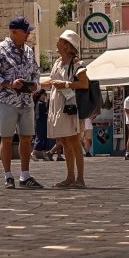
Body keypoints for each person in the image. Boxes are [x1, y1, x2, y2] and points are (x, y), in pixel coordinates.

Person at [0, 15, 43, 189]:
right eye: (26, 32)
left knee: (27, 138)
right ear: (14, 32)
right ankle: (8, 175)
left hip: (26, 101)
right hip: (7, 100)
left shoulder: (30, 51)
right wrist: (9, 84)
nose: (28, 35)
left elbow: (36, 73)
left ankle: (25, 176)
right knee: (7, 138)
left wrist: (35, 85)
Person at [41, 30, 89, 188]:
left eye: (60, 41)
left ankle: (80, 179)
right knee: (65, 141)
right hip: (58, 105)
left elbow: (84, 84)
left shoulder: (77, 64)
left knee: (74, 142)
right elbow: (52, 80)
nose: (57, 43)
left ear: (68, 46)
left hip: (70, 106)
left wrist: (66, 84)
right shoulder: (57, 63)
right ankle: (70, 177)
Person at [32, 89, 51, 160]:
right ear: (41, 95)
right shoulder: (41, 103)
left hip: (40, 122)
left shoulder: (38, 103)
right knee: (40, 138)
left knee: (43, 138)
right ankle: (33, 153)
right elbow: (46, 113)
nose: (45, 96)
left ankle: (44, 155)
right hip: (42, 122)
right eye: (44, 95)